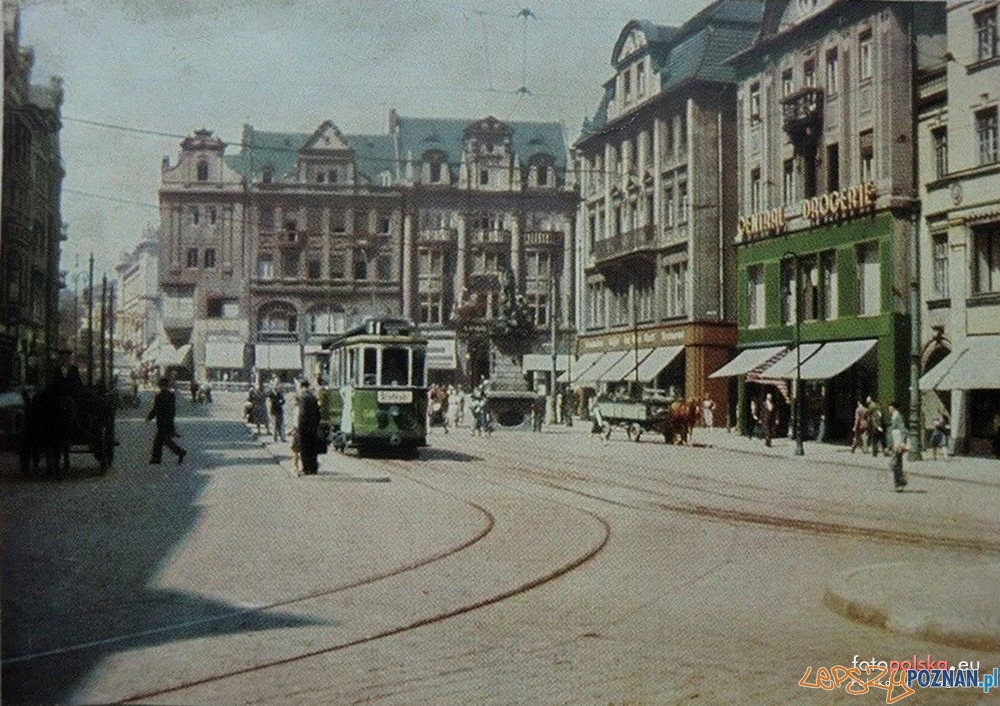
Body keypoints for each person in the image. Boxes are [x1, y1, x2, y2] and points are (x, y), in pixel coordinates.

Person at [147, 377, 186, 465]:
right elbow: (172, 410)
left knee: (163, 440)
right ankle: (156, 458)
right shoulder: (171, 396)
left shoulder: (159, 396)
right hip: (168, 421)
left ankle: (180, 452)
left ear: (161, 386)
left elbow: (156, 409)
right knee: (160, 440)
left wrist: (150, 417)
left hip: (162, 422)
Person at [297, 380, 321, 476]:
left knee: (304, 448)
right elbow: (318, 413)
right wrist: (316, 423)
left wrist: (300, 425)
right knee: (313, 448)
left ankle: (306, 468)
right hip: (313, 426)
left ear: (302, 386)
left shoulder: (303, 397)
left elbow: (302, 413)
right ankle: (313, 468)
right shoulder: (313, 397)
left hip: (305, 427)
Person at [887, 401, 908, 491]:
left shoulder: (897, 416)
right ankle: (900, 482)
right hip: (894, 444)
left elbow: (903, 430)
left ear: (893, 407)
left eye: (889, 407)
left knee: (894, 464)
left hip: (898, 444)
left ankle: (899, 482)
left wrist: (902, 442)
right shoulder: (894, 416)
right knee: (898, 464)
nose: (888, 409)